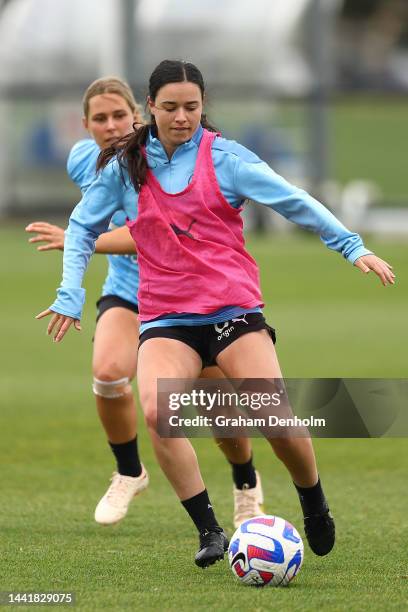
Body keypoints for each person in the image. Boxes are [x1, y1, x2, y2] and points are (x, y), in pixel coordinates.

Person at [37, 60, 395, 568]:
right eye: (171, 107)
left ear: (203, 106)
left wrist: (352, 246)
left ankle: (313, 502)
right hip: (166, 319)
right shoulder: (122, 166)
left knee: (271, 416)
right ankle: (209, 530)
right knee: (161, 412)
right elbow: (81, 227)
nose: (182, 116)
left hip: (232, 311)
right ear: (152, 109)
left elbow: (294, 201)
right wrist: (69, 294)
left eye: (192, 106)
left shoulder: (226, 157)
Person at [29, 75, 265, 531]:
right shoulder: (84, 160)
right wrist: (79, 236)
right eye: (100, 118)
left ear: (139, 115)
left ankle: (245, 484)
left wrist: (87, 240)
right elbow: (93, 217)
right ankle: (129, 472)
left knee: (219, 412)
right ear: (86, 125)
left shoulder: (167, 159)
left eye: (120, 115)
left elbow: (149, 234)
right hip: (129, 294)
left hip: (192, 298)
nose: (112, 125)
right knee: (107, 373)